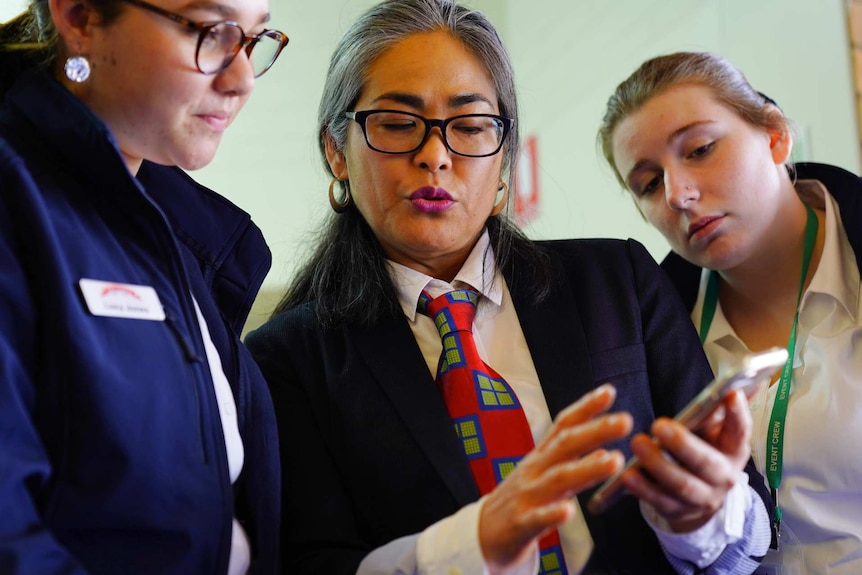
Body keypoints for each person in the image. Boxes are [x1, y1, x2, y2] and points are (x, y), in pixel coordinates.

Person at [246, 3, 772, 574]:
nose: (435, 155)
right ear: (336, 151)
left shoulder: (616, 280)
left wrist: (703, 515)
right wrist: (470, 544)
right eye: (397, 124)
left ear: (502, 160)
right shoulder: (285, 362)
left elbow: (748, 521)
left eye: (470, 127)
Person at [0, 0, 288, 573]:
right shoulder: (18, 210)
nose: (242, 79)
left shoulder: (175, 239)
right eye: (212, 32)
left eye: (255, 39)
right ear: (80, 17)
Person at [599, 51, 862, 574]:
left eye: (699, 149)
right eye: (648, 184)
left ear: (775, 136)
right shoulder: (652, 338)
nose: (678, 194)